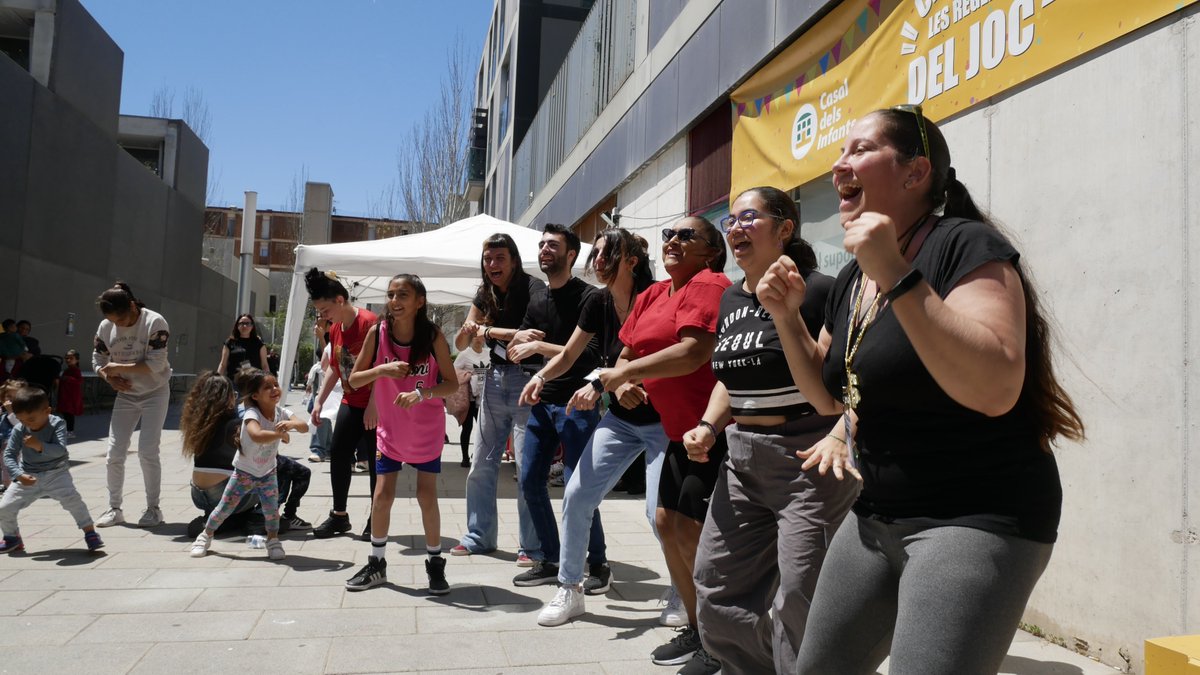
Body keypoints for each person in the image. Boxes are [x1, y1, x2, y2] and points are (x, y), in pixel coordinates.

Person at [754, 106, 1085, 674]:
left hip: (974, 514)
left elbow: (996, 387)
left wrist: (898, 275)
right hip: (875, 516)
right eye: (841, 152)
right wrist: (786, 317)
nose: (839, 165)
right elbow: (830, 397)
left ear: (915, 173)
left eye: (860, 149)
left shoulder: (964, 246)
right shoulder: (855, 276)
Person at [683, 187, 860, 675]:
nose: (736, 228)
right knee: (716, 585)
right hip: (742, 456)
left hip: (809, 456)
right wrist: (707, 425)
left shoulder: (821, 291)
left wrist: (786, 314)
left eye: (749, 217)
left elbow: (834, 383)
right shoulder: (729, 298)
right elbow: (730, 376)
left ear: (785, 227)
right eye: (731, 221)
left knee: (801, 594)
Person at [599, 217, 731, 670]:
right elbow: (625, 354)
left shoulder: (710, 283)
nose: (672, 241)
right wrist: (621, 384)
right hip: (678, 432)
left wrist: (628, 374)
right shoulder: (654, 293)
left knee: (695, 534)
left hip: (713, 433)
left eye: (685, 236)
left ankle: (719, 640)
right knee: (665, 522)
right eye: (668, 235)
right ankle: (696, 628)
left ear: (711, 251)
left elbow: (696, 351)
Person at [525, 227, 662, 627]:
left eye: (607, 254)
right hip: (621, 420)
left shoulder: (655, 296)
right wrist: (540, 377)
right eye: (596, 254)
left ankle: (681, 591)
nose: (597, 262)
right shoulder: (598, 302)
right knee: (577, 495)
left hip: (664, 420)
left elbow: (657, 356)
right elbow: (569, 355)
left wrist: (613, 381)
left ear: (631, 261)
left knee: (660, 515)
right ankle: (570, 588)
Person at [344, 274, 458, 595]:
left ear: (419, 301)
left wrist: (422, 394)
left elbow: (452, 383)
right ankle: (376, 563)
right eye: (391, 294)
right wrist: (382, 370)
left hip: (426, 429)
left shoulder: (433, 335)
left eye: (403, 294)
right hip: (391, 430)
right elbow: (355, 379)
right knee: (382, 496)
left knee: (426, 496)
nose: (395, 300)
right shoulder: (377, 333)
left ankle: (435, 565)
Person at [505, 224, 604, 589]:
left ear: (571, 255)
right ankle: (550, 558)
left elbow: (591, 355)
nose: (545, 249)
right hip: (542, 404)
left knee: (580, 489)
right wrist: (517, 339)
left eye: (553, 245)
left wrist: (541, 348)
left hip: (577, 404)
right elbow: (520, 344)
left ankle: (599, 565)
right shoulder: (537, 300)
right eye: (542, 244)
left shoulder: (590, 298)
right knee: (530, 481)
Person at [452, 233, 545, 565]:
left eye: (499, 258)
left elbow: (531, 335)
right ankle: (479, 535)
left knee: (527, 467)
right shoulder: (484, 292)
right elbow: (462, 341)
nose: (492, 265)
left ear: (514, 261)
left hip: (528, 379)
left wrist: (487, 331)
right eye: (488, 259)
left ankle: (531, 547)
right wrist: (473, 328)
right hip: (494, 379)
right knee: (480, 463)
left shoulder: (534, 290)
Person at [190, 369, 307, 560]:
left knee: (271, 512)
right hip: (244, 473)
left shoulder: (281, 412)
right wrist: (281, 434)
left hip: (267, 473)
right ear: (255, 395)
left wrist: (292, 424)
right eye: (267, 387)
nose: (274, 389)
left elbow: (304, 426)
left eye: (276, 385)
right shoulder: (252, 413)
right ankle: (205, 536)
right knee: (223, 508)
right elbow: (256, 435)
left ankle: (273, 540)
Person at [305, 268, 379, 539]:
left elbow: (383, 367)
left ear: (339, 300)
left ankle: (376, 517)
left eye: (324, 310)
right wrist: (319, 402)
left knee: (374, 463)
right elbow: (335, 369)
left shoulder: (370, 323)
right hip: (350, 400)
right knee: (338, 454)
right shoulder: (335, 329)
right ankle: (339, 516)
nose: (323, 317)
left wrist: (374, 404)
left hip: (374, 404)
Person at [92, 282, 172, 528]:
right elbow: (98, 358)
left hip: (155, 391)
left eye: (123, 321)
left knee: (148, 450)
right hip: (125, 394)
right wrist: (109, 378)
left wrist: (118, 367)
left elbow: (157, 363)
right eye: (114, 322)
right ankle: (114, 508)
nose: (119, 326)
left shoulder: (155, 322)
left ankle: (153, 508)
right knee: (114, 452)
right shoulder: (106, 327)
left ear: (133, 306)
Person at [0, 386, 103, 553]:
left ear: (47, 411)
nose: (27, 424)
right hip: (28, 474)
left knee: (73, 501)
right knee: (4, 507)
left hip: (57, 473)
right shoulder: (20, 428)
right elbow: (9, 455)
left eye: (31, 419)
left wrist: (39, 446)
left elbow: (61, 449)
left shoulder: (57, 424)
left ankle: (90, 532)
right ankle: (12, 537)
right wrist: (18, 475)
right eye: (22, 419)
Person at [180, 372, 261, 537]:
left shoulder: (197, 425)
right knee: (277, 471)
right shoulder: (236, 425)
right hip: (222, 494)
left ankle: (220, 518)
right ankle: (257, 517)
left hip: (198, 495)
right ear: (229, 398)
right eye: (234, 395)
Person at [452, 334, 489, 467]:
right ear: (470, 339)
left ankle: (480, 456)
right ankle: (465, 457)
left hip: (485, 398)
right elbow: (454, 372)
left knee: (484, 429)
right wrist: (469, 376)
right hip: (469, 398)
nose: (478, 339)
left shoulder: (488, 354)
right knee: (467, 428)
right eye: (475, 337)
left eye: (480, 337)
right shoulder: (464, 354)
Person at [217, 314, 269, 379]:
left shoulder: (259, 344)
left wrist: (267, 380)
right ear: (237, 326)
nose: (244, 326)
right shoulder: (230, 342)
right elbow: (223, 364)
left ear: (252, 326)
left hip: (253, 383)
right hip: (234, 381)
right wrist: (217, 380)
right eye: (241, 323)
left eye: (248, 323)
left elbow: (264, 365)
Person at [57, 350, 84, 439]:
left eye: (71, 358)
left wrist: (67, 378)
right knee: (65, 414)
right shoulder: (67, 370)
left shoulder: (76, 370)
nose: (68, 360)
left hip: (71, 396)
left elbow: (79, 381)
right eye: (67, 358)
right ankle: (67, 430)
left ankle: (70, 431)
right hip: (65, 395)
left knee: (69, 414)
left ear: (77, 360)